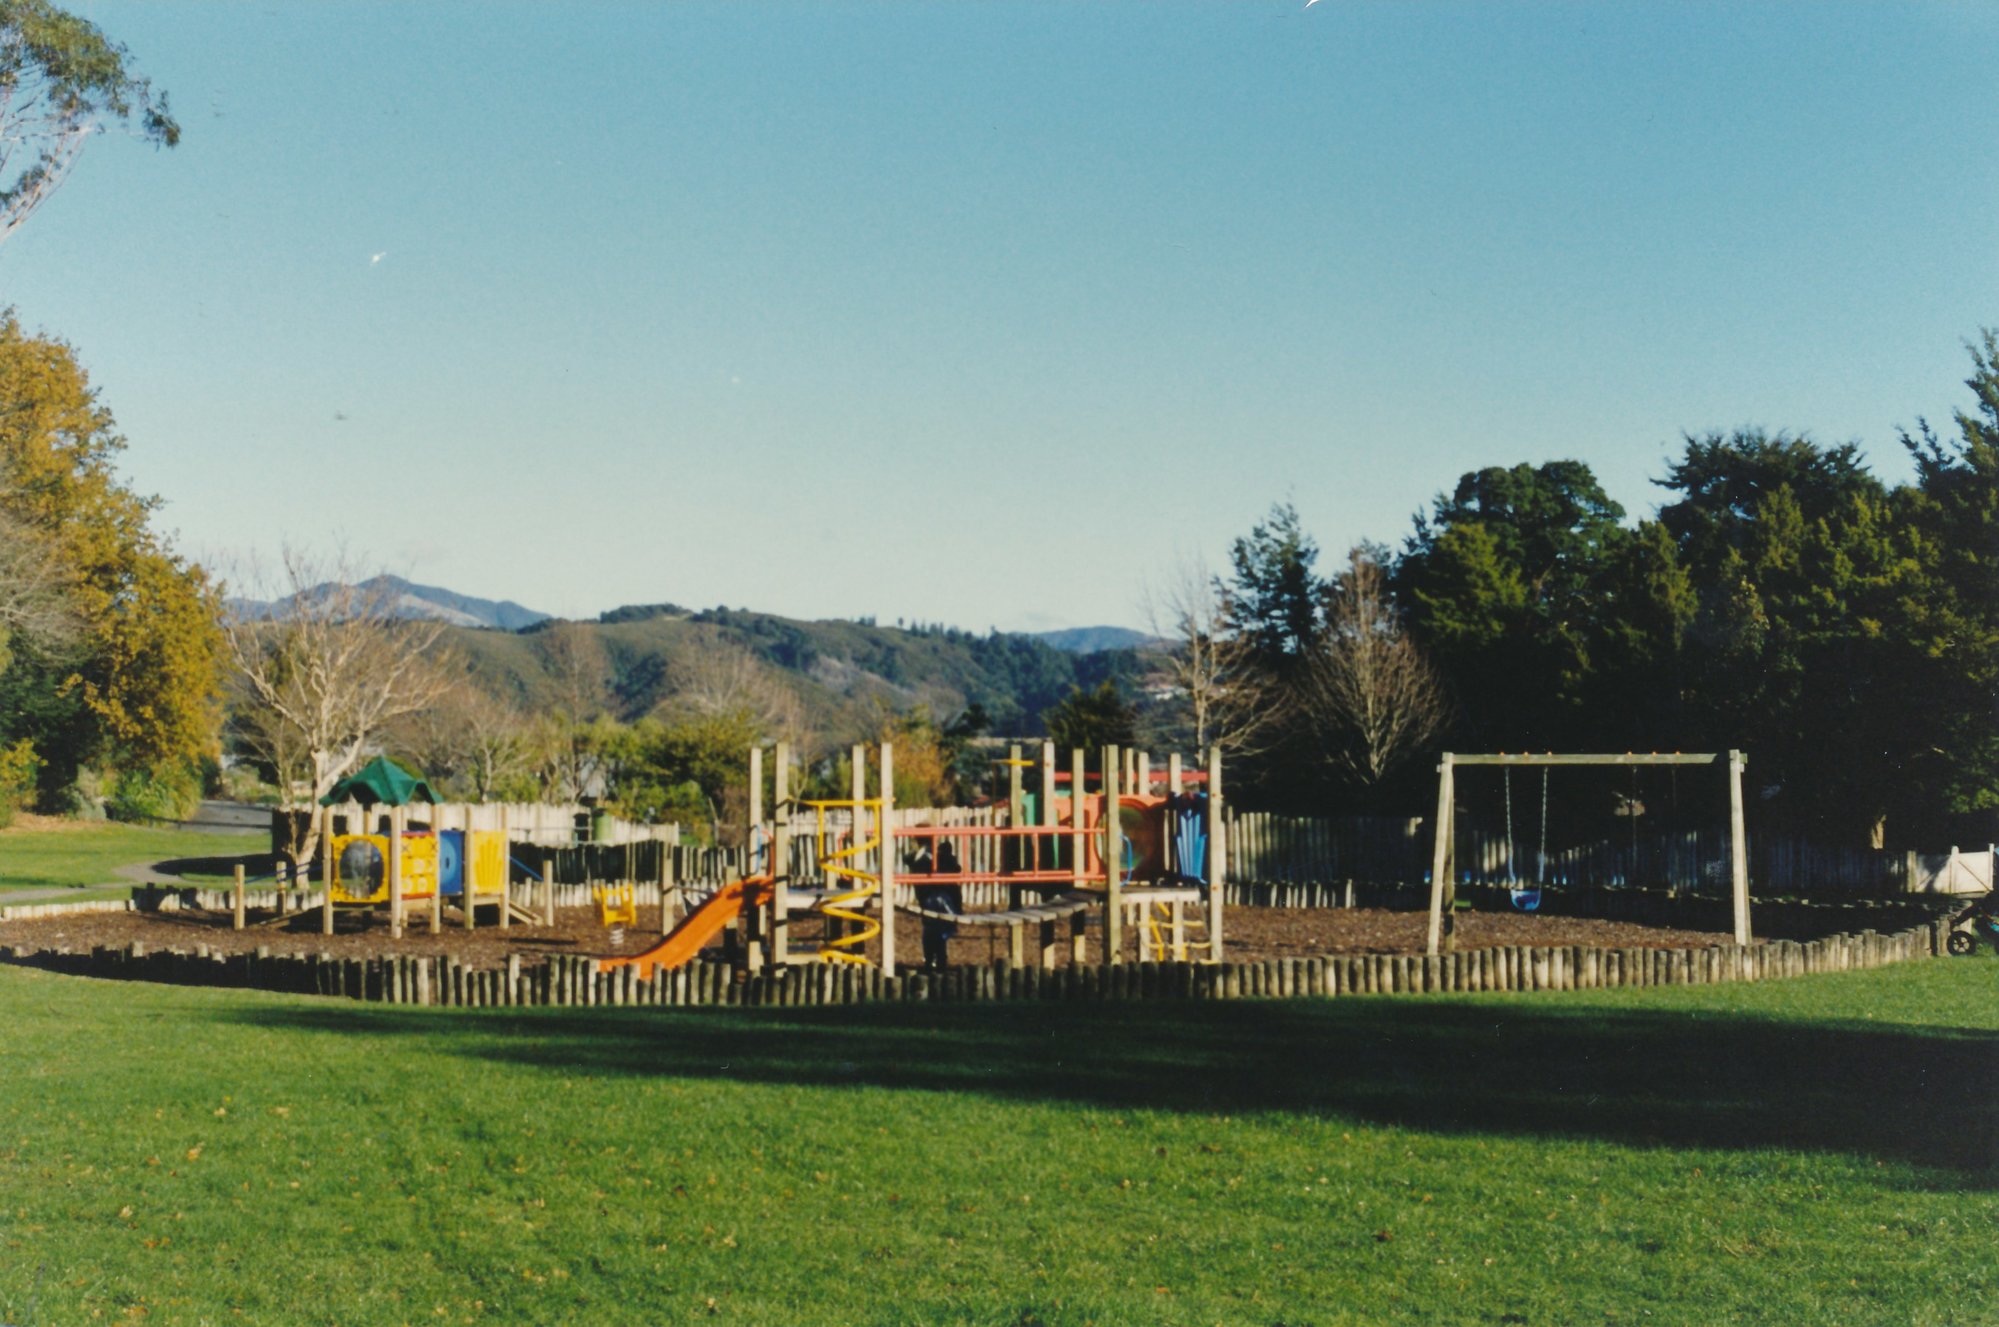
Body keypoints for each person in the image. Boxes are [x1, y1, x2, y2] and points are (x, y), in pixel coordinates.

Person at [912, 831, 964, 968]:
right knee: (936, 928)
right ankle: (936, 958)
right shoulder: (929, 856)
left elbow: (955, 870)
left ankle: (933, 958)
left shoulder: (926, 856)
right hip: (937, 898)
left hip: (934, 898)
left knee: (933, 928)